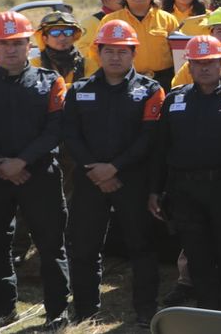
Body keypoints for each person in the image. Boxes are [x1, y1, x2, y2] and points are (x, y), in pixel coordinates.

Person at [60, 19, 166, 327]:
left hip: (131, 180)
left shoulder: (151, 90)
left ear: (133, 53)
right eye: (109, 51)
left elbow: (149, 138)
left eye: (122, 51)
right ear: (97, 53)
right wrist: (96, 170)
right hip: (90, 178)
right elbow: (71, 135)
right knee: (84, 247)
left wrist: (114, 168)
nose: (115, 57)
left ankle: (146, 310)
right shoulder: (79, 90)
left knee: (141, 246)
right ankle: (84, 310)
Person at [0, 13, 71, 330]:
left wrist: (21, 162)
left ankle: (57, 311)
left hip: (40, 175)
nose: (11, 50)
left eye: (17, 42)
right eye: (4, 43)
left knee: (50, 245)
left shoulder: (51, 81)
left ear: (29, 44)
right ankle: (4, 309)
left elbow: (56, 129)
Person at [151, 35, 221, 312]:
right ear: (189, 66)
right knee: (195, 249)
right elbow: (161, 149)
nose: (204, 68)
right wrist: (154, 190)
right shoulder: (174, 99)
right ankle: (206, 305)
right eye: (198, 63)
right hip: (183, 189)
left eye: (210, 62)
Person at [102, 0, 182, 87]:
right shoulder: (110, 20)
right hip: (124, 81)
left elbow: (178, 54)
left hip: (164, 81)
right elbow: (96, 52)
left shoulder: (168, 19)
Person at [32, 11, 97, 84]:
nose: (62, 38)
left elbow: (89, 87)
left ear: (74, 37)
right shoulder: (35, 65)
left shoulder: (88, 65)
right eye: (55, 33)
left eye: (68, 32)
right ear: (45, 39)